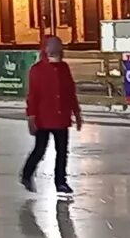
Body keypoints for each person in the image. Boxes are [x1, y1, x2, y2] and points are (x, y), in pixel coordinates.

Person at [20, 32, 83, 193]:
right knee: (40, 149)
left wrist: (76, 112)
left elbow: (70, 91)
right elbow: (33, 95)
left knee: (62, 151)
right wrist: (32, 117)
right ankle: (27, 174)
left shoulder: (64, 68)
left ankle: (60, 181)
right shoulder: (37, 70)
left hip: (61, 117)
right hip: (43, 118)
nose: (56, 55)